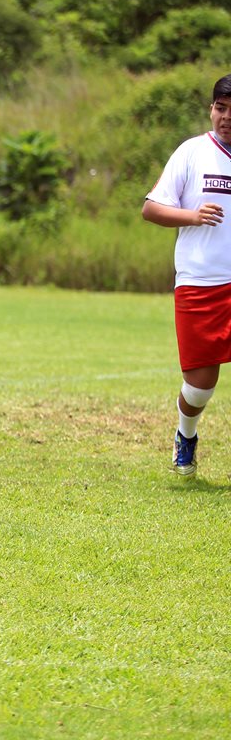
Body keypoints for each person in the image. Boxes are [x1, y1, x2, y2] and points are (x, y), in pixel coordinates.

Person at [142, 73, 231, 476]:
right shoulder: (192, 152)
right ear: (212, 109)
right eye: (221, 108)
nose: (226, 117)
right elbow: (152, 208)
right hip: (200, 283)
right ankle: (186, 435)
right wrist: (192, 215)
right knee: (199, 386)